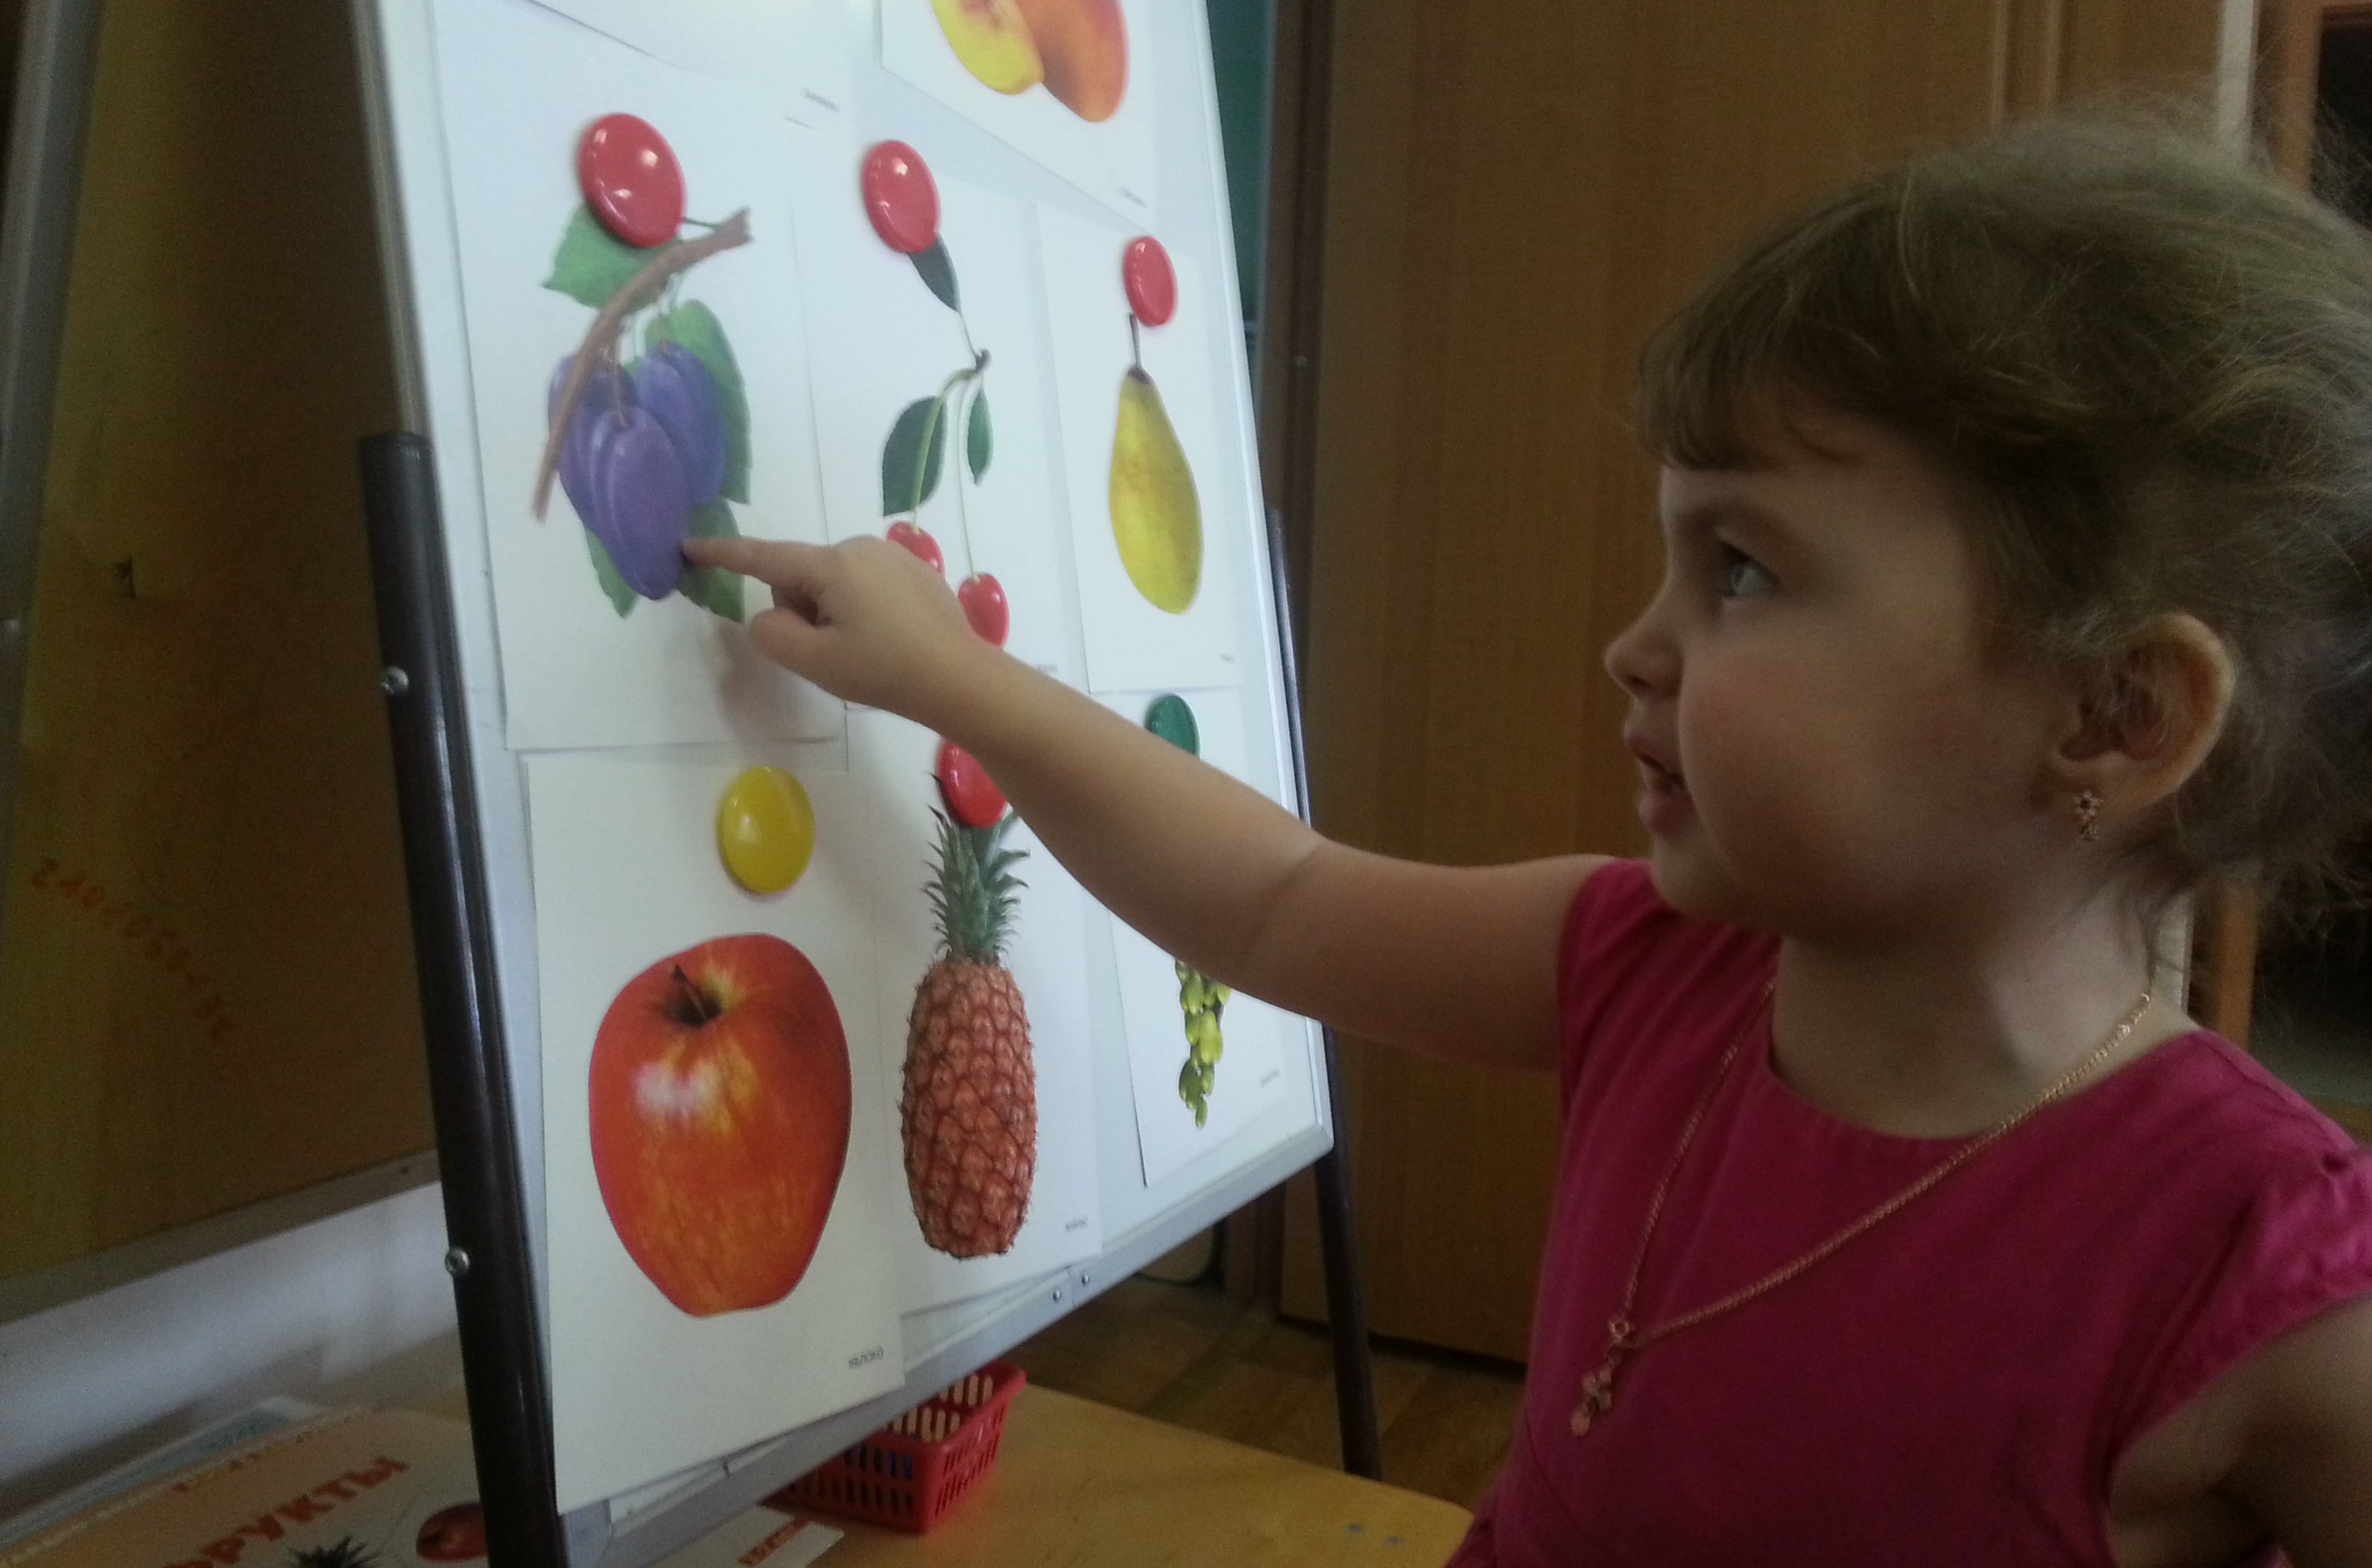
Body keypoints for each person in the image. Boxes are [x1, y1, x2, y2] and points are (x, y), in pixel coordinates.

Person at [687, 117, 2372, 1565]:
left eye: (1744, 570)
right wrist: (957, 682)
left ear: (2115, 714)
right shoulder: (1653, 968)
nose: (1635, 646)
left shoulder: (2264, 1278)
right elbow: (1275, 898)